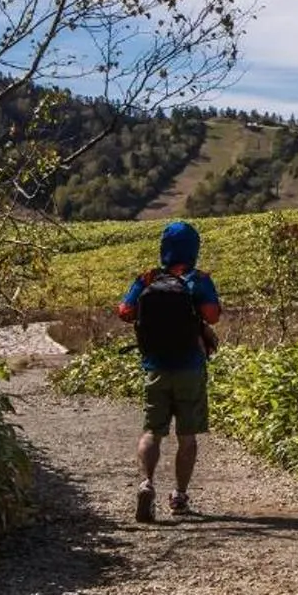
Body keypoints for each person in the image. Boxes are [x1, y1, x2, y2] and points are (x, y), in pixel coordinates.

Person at [116, 219, 222, 522]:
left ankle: (146, 483)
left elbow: (125, 312)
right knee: (187, 436)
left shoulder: (148, 278)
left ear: (164, 247)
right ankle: (179, 496)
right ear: (194, 249)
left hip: (155, 366)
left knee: (152, 431)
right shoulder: (198, 279)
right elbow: (212, 316)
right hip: (190, 367)